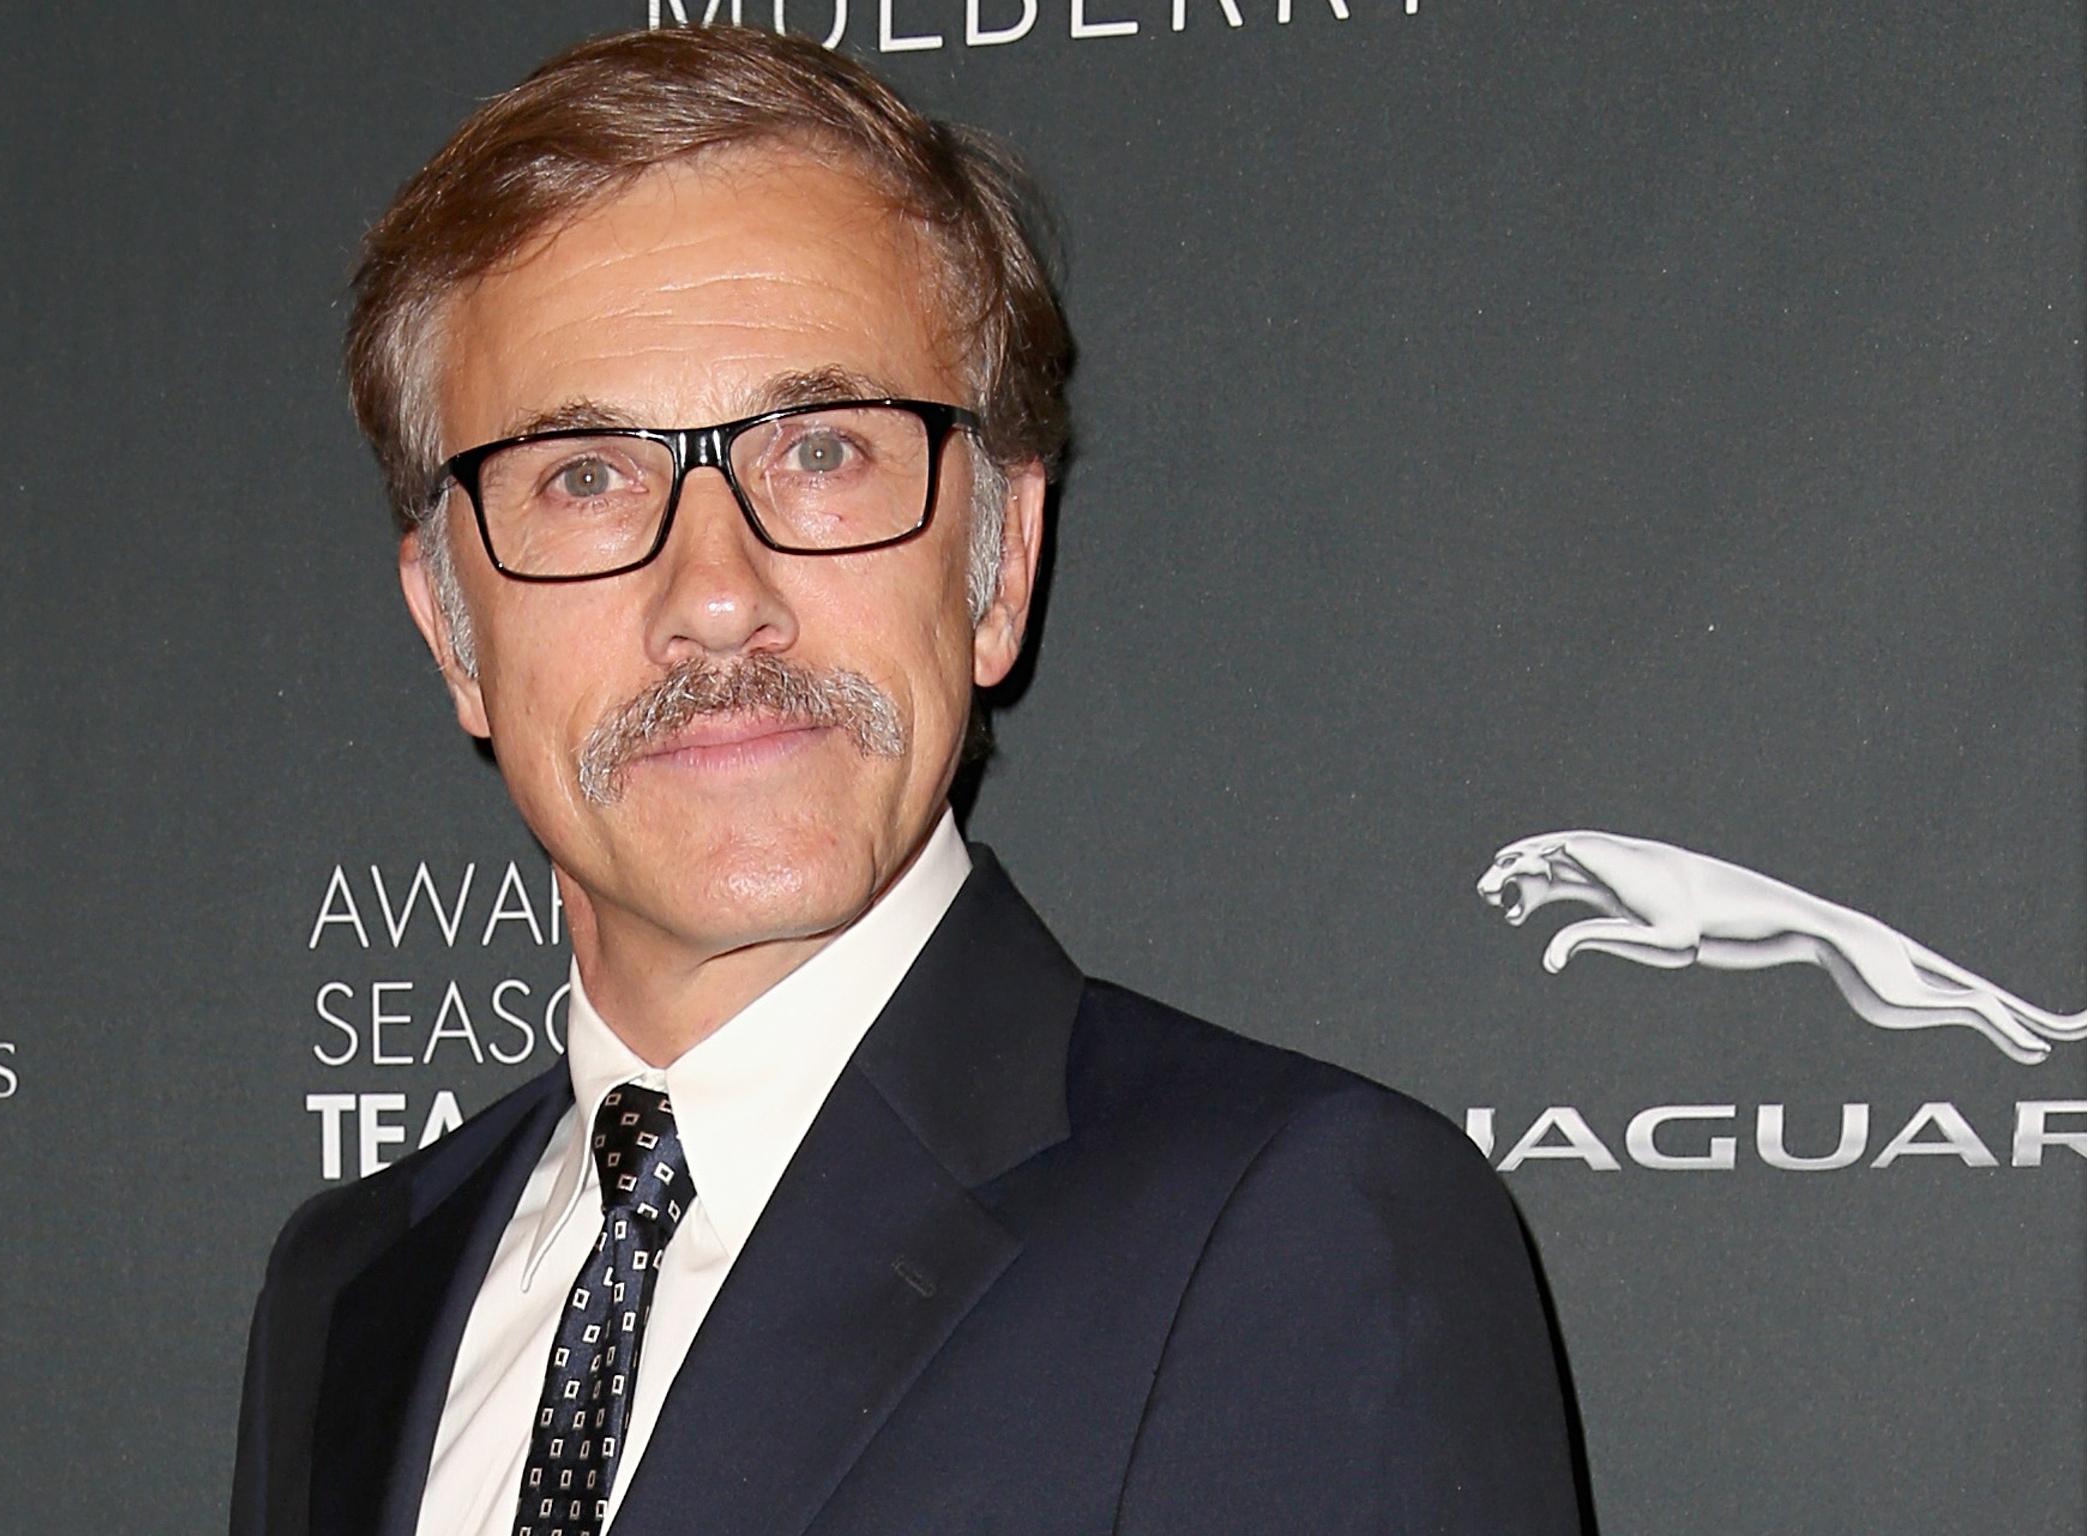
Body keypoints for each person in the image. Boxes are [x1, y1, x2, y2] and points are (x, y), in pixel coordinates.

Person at [231, 25, 1581, 1536]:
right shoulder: (349, 1291)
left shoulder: (1293, 1235)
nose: (716, 595)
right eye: (586, 477)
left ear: (999, 565)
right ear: (454, 632)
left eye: (821, 453)